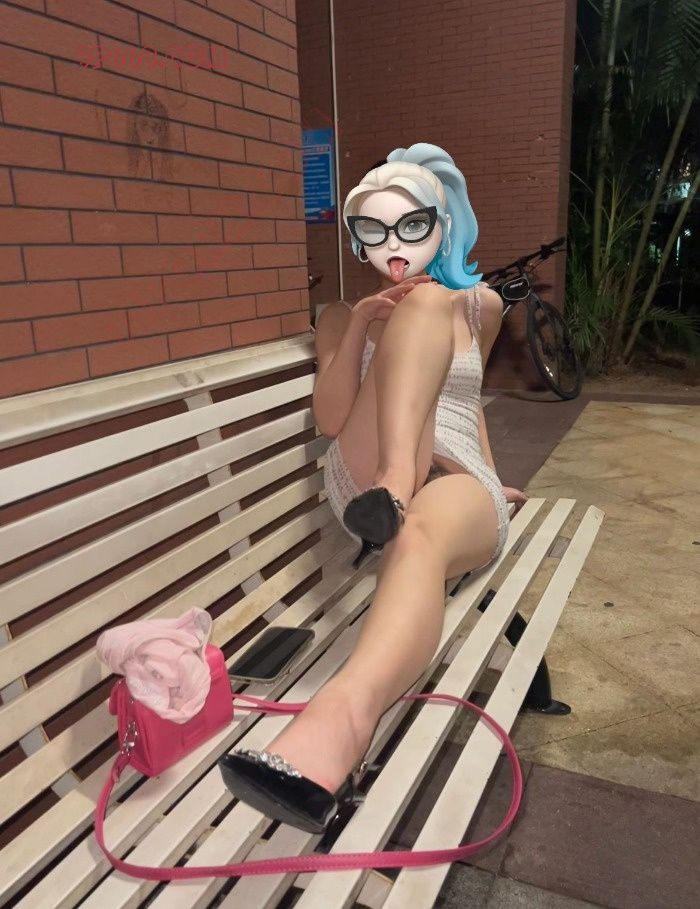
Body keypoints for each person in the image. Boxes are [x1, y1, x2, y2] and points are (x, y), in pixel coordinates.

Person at [219, 142, 527, 833]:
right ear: (358, 240)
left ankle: (338, 724)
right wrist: (362, 324)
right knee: (415, 317)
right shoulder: (339, 314)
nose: (394, 245)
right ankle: (394, 483)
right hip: (365, 476)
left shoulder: (476, 306)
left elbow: (469, 405)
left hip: (452, 479)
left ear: (442, 225)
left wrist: (492, 474)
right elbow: (331, 419)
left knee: (420, 531)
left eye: (412, 225)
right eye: (374, 230)